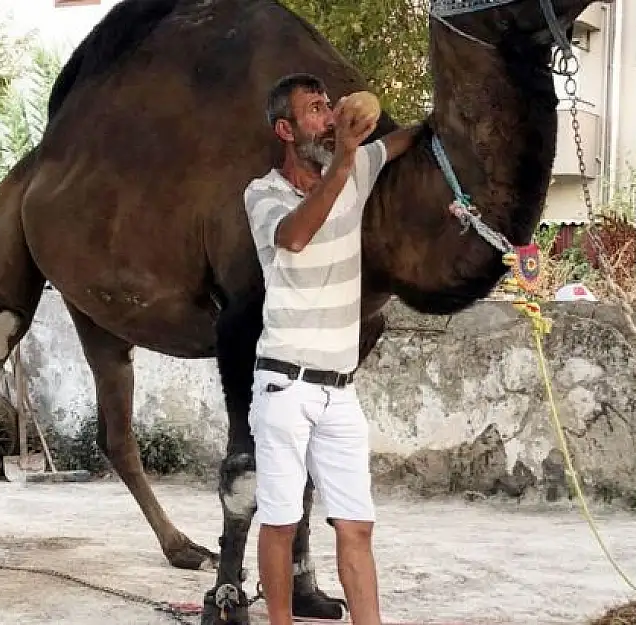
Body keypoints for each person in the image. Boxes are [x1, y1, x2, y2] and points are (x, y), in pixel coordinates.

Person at [242, 73, 421, 625]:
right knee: (280, 520)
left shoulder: (359, 165)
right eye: (314, 110)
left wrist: (399, 117)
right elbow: (294, 236)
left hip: (339, 389)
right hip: (283, 385)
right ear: (286, 129)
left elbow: (413, 136)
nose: (326, 116)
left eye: (328, 105)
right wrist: (345, 158)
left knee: (356, 524)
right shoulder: (263, 192)